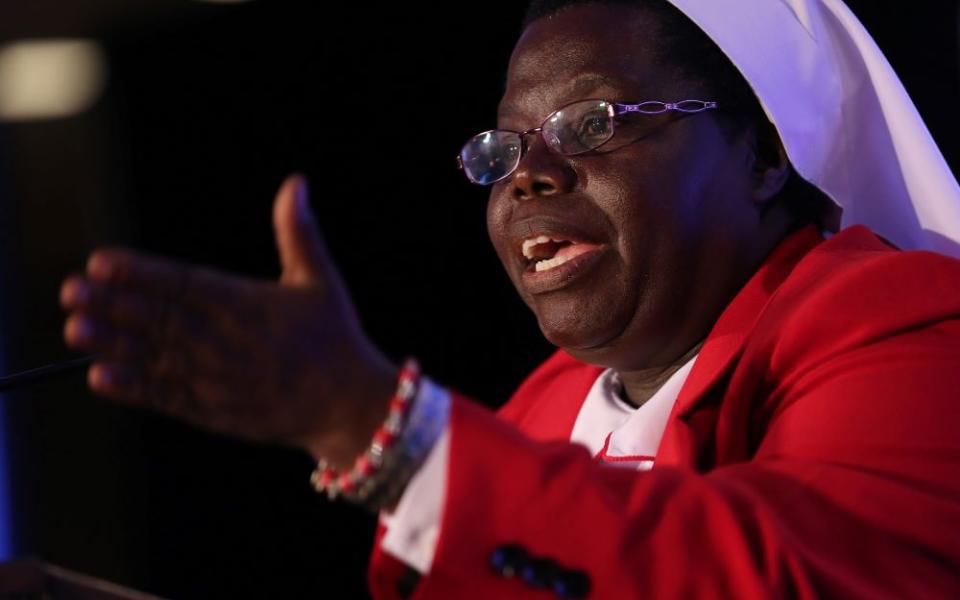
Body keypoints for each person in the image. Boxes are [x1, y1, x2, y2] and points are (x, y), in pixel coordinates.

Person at [59, 0, 960, 598]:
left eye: (593, 124)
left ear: (764, 154)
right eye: (502, 148)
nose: (527, 173)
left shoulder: (907, 323)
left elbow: (786, 579)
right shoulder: (539, 412)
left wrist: (383, 430)